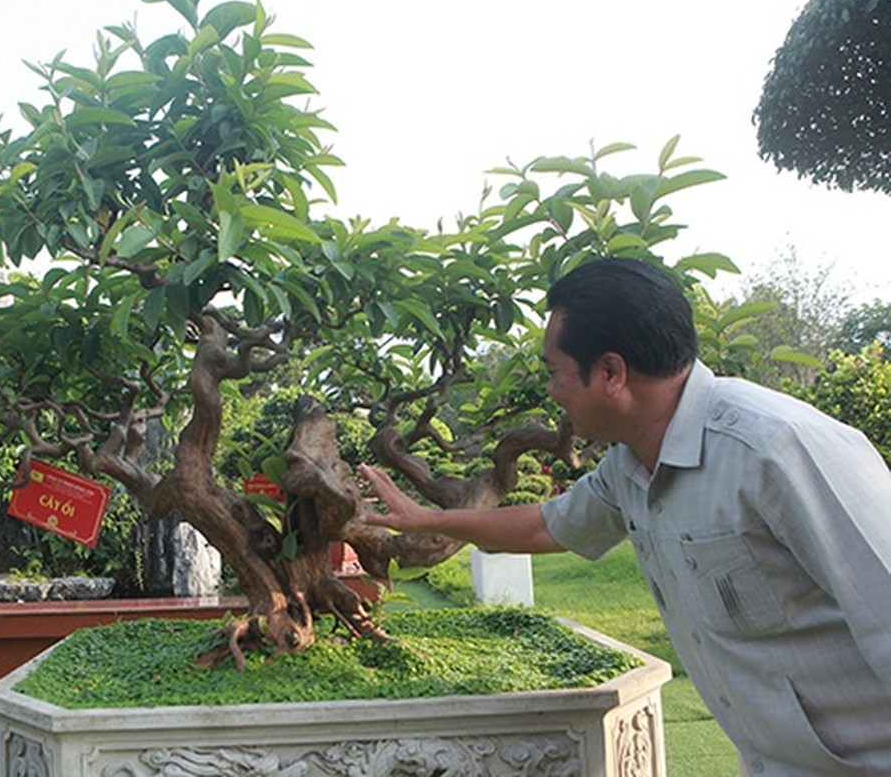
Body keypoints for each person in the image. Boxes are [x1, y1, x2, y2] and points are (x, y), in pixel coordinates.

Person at [358, 258, 891, 777]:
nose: (551, 392)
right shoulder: (630, 465)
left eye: (555, 373)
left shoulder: (778, 450)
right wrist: (428, 519)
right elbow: (550, 524)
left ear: (611, 371)